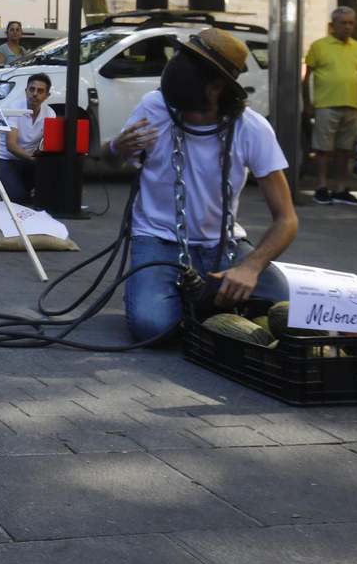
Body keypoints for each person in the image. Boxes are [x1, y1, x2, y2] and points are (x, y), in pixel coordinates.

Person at [103, 28, 298, 343]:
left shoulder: (252, 129)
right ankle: (166, 295)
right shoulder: (153, 106)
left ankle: (193, 302)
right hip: (158, 240)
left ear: (216, 87)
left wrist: (250, 268)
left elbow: (287, 219)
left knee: (288, 308)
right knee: (152, 327)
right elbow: (109, 160)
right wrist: (116, 147)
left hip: (223, 246)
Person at [303, 7, 357, 206]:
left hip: (352, 105)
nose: (347, 27)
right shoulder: (319, 46)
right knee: (323, 148)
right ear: (333, 25)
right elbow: (307, 78)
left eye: (351, 23)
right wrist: (308, 103)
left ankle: (340, 188)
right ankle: (322, 187)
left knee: (344, 148)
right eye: (343, 23)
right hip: (326, 104)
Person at [0, 73, 56, 205]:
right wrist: (33, 158)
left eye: (40, 91)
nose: (35, 94)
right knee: (17, 199)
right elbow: (11, 145)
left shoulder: (49, 113)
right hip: (3, 157)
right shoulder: (14, 109)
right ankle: (17, 191)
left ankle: (22, 190)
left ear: (47, 95)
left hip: (25, 158)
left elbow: (51, 144)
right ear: (26, 91)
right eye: (32, 89)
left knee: (53, 166)